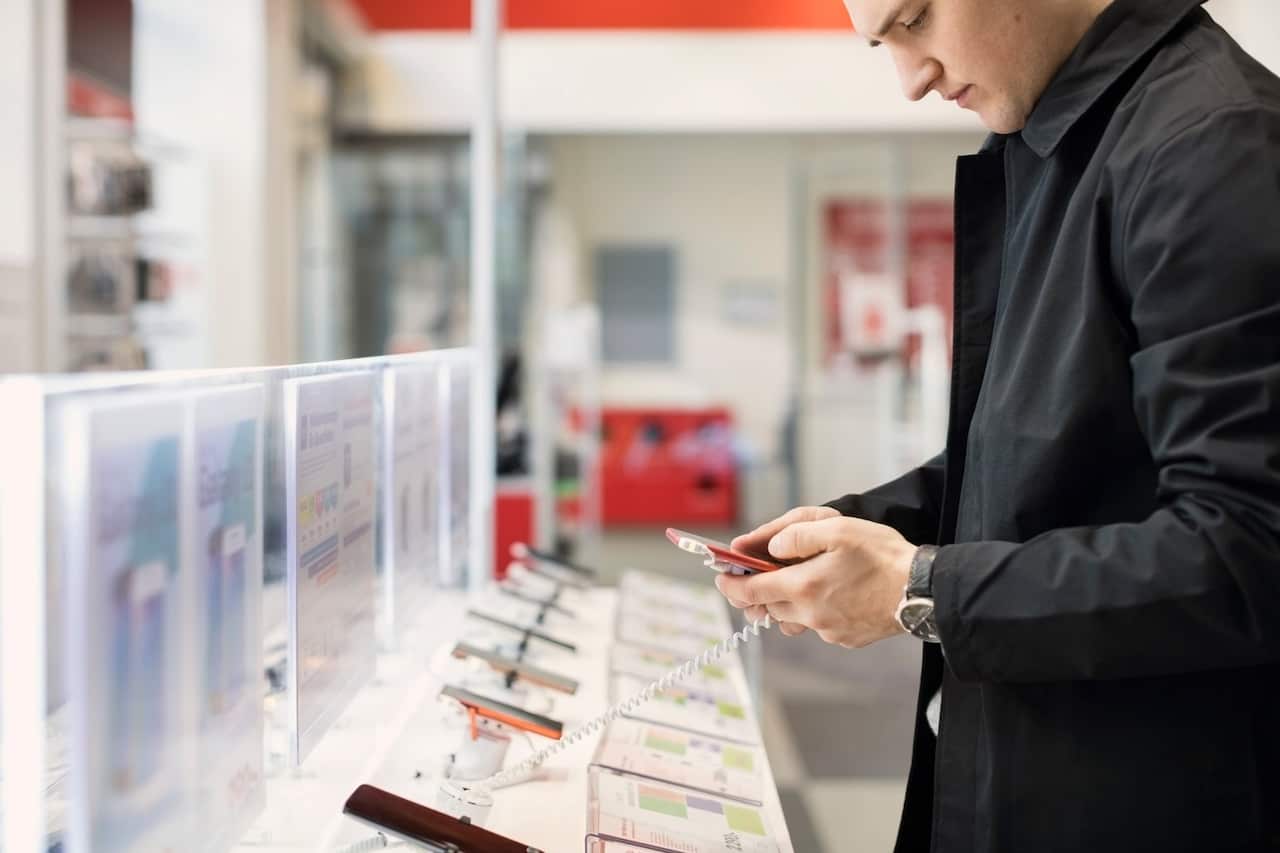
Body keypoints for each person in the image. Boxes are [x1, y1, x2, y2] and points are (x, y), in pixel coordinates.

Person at [714, 0, 1280, 850]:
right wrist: (874, 524)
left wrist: (921, 589)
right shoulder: (1056, 143)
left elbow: (1249, 551)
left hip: (1150, 802)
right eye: (883, 44)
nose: (911, 79)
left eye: (916, 19)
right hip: (1020, 768)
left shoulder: (1210, 144)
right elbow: (1047, 446)